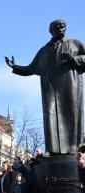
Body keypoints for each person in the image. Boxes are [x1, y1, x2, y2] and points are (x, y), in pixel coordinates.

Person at [5, 20, 85, 154]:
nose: (60, 28)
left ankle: (74, 149)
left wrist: (74, 60)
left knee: (71, 114)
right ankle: (53, 150)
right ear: (51, 31)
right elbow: (31, 68)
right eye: (56, 27)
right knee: (50, 115)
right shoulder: (45, 50)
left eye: (62, 26)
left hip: (70, 86)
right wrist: (15, 66)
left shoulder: (75, 44)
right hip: (50, 89)